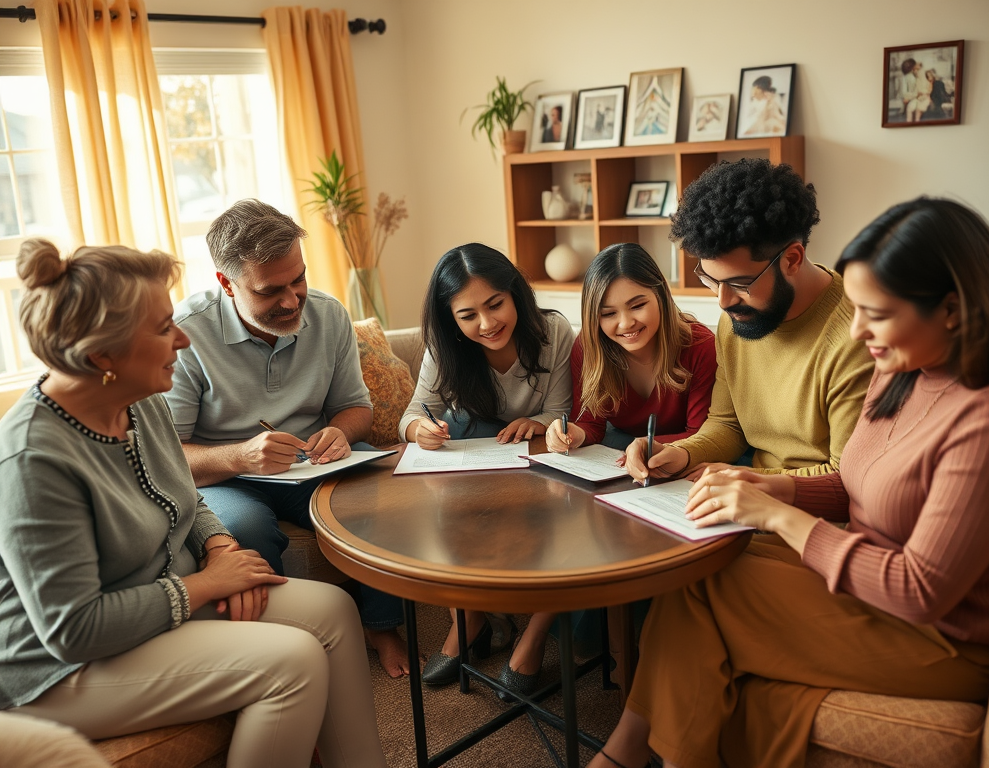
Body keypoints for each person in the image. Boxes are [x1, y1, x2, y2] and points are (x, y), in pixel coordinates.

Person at [589, 197, 989, 768]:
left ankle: (630, 753)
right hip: (868, 580)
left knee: (706, 595)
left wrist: (779, 516)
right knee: (697, 572)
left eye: (878, 312)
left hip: (940, 636)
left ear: (951, 309)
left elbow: (923, 591)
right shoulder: (907, 366)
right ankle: (642, 754)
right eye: (859, 307)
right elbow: (854, 482)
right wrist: (777, 489)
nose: (858, 328)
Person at [0, 239, 387, 768]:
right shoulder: (32, 459)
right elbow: (74, 630)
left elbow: (180, 493)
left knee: (333, 609)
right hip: (61, 668)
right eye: (163, 329)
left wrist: (222, 547)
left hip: (154, 596)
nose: (183, 340)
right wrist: (205, 585)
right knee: (291, 661)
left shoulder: (139, 402)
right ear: (101, 356)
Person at [164, 199, 408, 677]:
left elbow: (356, 409)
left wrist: (340, 431)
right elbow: (168, 457)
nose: (293, 300)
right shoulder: (183, 334)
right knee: (245, 531)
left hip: (312, 463)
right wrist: (241, 456)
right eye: (271, 290)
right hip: (224, 478)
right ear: (225, 284)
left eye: (298, 279)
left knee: (383, 493)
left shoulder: (328, 315)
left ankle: (380, 624)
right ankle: (285, 649)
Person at [624, 158, 873, 484]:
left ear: (792, 259)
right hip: (749, 501)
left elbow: (848, 478)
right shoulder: (739, 318)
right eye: (711, 279)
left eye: (741, 283)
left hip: (812, 518)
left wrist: (749, 479)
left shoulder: (859, 337)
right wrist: (683, 453)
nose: (723, 302)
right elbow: (728, 424)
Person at [398, 242, 574, 695]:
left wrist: (536, 423)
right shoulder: (446, 346)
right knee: (452, 506)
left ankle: (532, 635)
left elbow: (563, 411)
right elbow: (413, 412)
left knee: (565, 517)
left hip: (537, 449)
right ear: (451, 319)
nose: (487, 323)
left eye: (495, 304)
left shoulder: (553, 331)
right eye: (468, 315)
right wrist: (420, 429)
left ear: (515, 292)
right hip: (478, 448)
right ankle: (469, 618)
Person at [547, 242, 716, 455]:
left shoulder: (701, 346)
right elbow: (591, 424)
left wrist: (644, 446)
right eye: (608, 314)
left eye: (637, 306)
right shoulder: (588, 347)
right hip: (621, 455)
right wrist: (571, 433)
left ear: (661, 294)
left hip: (681, 456)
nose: (626, 323)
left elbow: (702, 436)